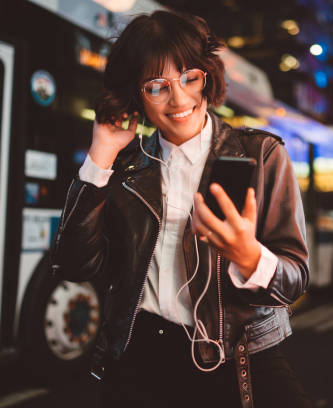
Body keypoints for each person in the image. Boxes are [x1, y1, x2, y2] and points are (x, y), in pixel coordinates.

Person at [50, 10, 311, 408]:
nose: (180, 99)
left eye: (190, 77)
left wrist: (249, 257)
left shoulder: (262, 154)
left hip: (238, 354)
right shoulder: (126, 164)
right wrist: (100, 154)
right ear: (136, 93)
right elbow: (75, 264)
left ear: (207, 75)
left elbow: (294, 280)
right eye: (157, 86)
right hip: (140, 357)